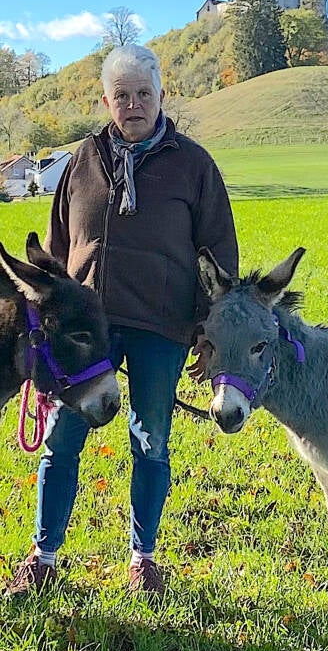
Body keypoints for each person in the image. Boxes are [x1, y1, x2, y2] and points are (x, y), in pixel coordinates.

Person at [7, 44, 238, 596]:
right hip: (87, 333)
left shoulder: (194, 165)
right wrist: (45, 332)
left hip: (161, 328)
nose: (133, 104)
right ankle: (43, 558)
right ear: (106, 100)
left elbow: (219, 258)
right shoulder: (83, 161)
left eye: (143, 94)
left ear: (162, 95)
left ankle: (143, 556)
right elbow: (58, 252)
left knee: (150, 441)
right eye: (122, 96)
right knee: (62, 441)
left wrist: (209, 333)